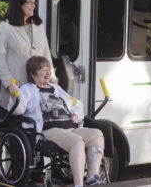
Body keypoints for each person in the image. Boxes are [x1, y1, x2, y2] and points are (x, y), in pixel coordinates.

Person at [8, 56, 105, 187]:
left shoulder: (56, 89)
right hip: (49, 130)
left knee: (97, 134)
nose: (47, 72)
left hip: (71, 127)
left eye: (48, 68)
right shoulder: (27, 89)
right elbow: (18, 110)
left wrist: (76, 114)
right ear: (32, 73)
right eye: (42, 69)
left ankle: (92, 177)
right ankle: (79, 185)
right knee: (77, 142)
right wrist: (15, 96)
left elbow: (76, 103)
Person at [0, 0, 57, 110]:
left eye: (34, 2)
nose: (33, 5)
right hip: (16, 92)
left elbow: (46, 54)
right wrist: (9, 84)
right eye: (29, 2)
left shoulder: (38, 26)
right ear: (19, 4)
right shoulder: (6, 27)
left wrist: (52, 77)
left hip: (39, 92)